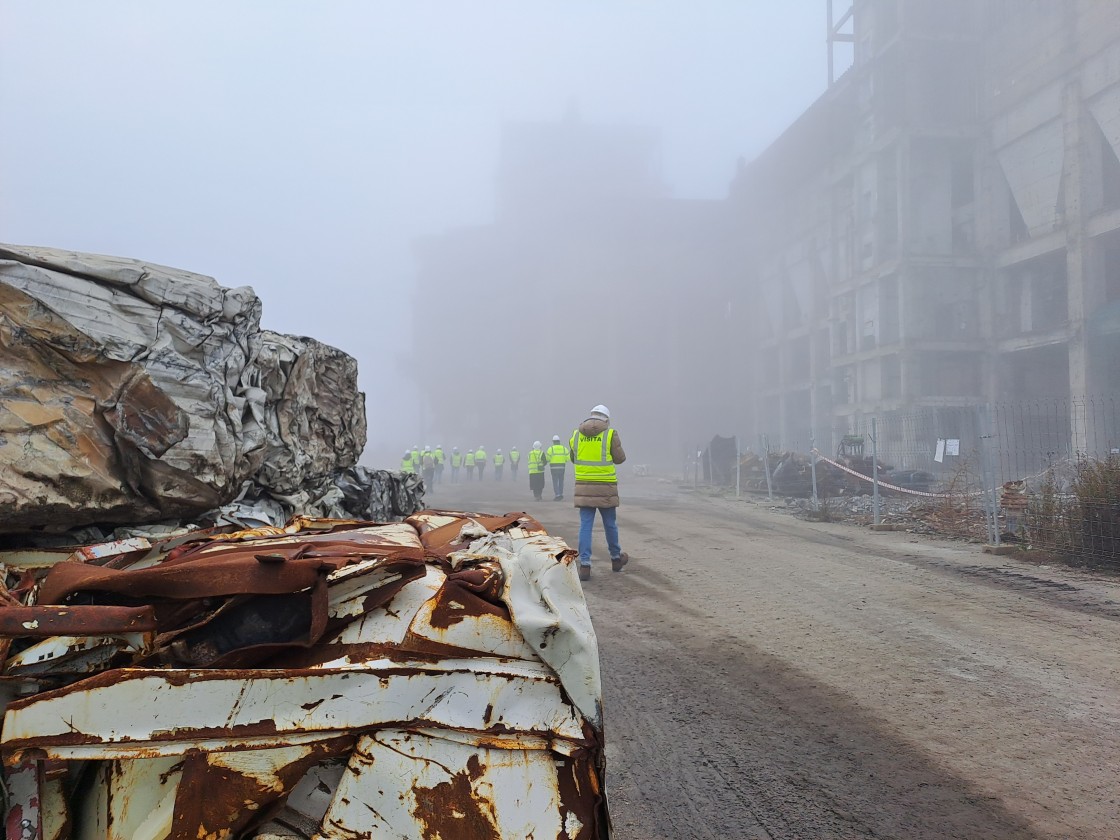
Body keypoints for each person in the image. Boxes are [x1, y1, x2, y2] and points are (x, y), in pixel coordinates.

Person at [569, 404, 628, 582]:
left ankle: (585, 565)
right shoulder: (610, 434)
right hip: (606, 486)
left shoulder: (576, 435)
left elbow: (573, 458)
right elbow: (620, 459)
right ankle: (616, 559)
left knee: (585, 525)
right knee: (610, 524)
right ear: (607, 419)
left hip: (584, 486)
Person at [546, 435, 569, 500]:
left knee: (555, 481)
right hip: (562, 467)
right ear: (559, 441)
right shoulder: (564, 448)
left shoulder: (551, 449)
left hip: (553, 468)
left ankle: (557, 494)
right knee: (561, 481)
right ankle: (561, 493)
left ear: (553, 441)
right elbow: (568, 458)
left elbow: (547, 459)